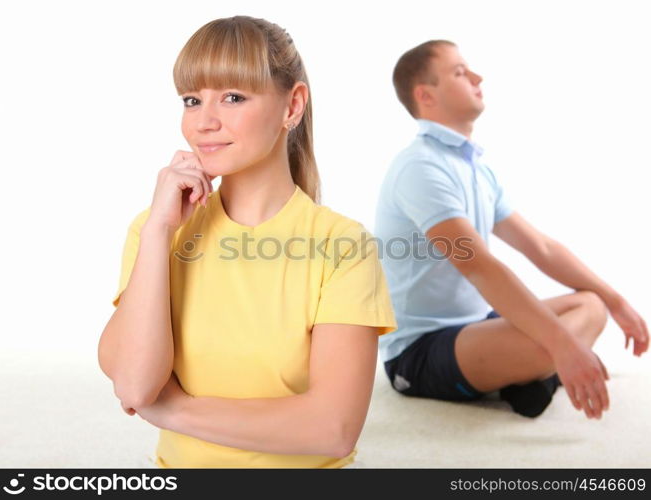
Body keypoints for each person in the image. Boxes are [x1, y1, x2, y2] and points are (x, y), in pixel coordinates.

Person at [98, 16, 397, 468]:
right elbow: (136, 386)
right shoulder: (155, 229)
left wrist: (175, 409)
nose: (204, 122)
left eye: (233, 97)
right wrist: (160, 232)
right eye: (192, 100)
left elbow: (332, 429)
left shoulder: (343, 245)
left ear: (292, 106)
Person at [374, 40, 648, 419]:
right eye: (459, 72)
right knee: (551, 343)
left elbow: (541, 247)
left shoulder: (475, 168)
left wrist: (617, 302)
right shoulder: (420, 167)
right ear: (426, 95)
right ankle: (535, 373)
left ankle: (526, 375)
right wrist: (563, 345)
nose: (477, 77)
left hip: (477, 326)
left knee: (591, 305)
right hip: (420, 349)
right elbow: (478, 265)